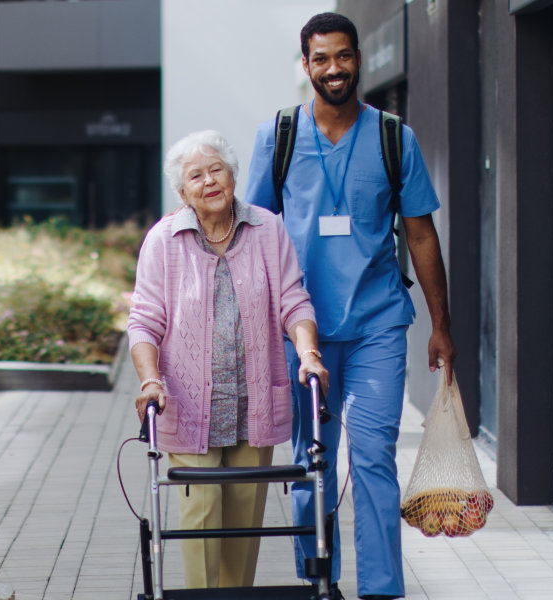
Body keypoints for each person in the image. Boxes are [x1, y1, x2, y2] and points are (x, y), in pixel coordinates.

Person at [241, 13, 456, 600]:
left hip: (377, 325)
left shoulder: (393, 137)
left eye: (342, 56)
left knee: (373, 458)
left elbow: (420, 235)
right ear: (305, 65)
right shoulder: (278, 136)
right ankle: (319, 582)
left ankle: (382, 590)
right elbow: (253, 233)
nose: (333, 69)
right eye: (320, 59)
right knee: (312, 460)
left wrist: (442, 326)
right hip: (301, 329)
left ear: (359, 58)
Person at [128, 130, 332, 590]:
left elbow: (294, 302)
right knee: (200, 520)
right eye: (195, 176)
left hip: (253, 405)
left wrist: (308, 354)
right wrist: (149, 380)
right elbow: (143, 322)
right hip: (190, 406)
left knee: (244, 525)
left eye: (216, 169)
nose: (209, 181)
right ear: (182, 193)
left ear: (233, 174)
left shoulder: (266, 229)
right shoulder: (164, 240)